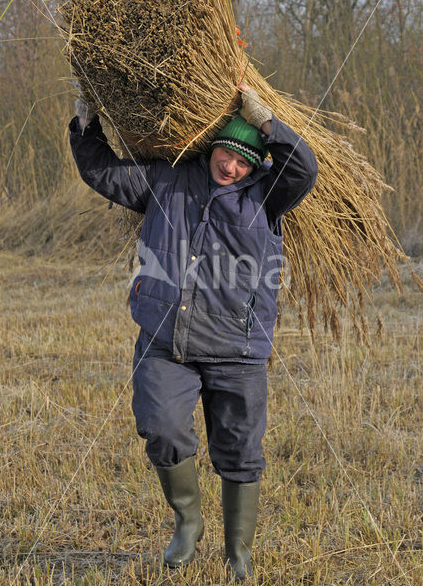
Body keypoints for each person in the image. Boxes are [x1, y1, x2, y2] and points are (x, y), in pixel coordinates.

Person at [69, 83, 318, 582]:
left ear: (257, 164)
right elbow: (103, 172)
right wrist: (85, 123)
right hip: (168, 339)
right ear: (212, 147)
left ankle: (237, 552)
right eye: (227, 154)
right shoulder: (169, 180)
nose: (231, 167)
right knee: (159, 426)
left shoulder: (268, 196)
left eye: (244, 161)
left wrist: (267, 121)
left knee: (240, 449)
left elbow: (304, 169)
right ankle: (188, 521)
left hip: (237, 347)